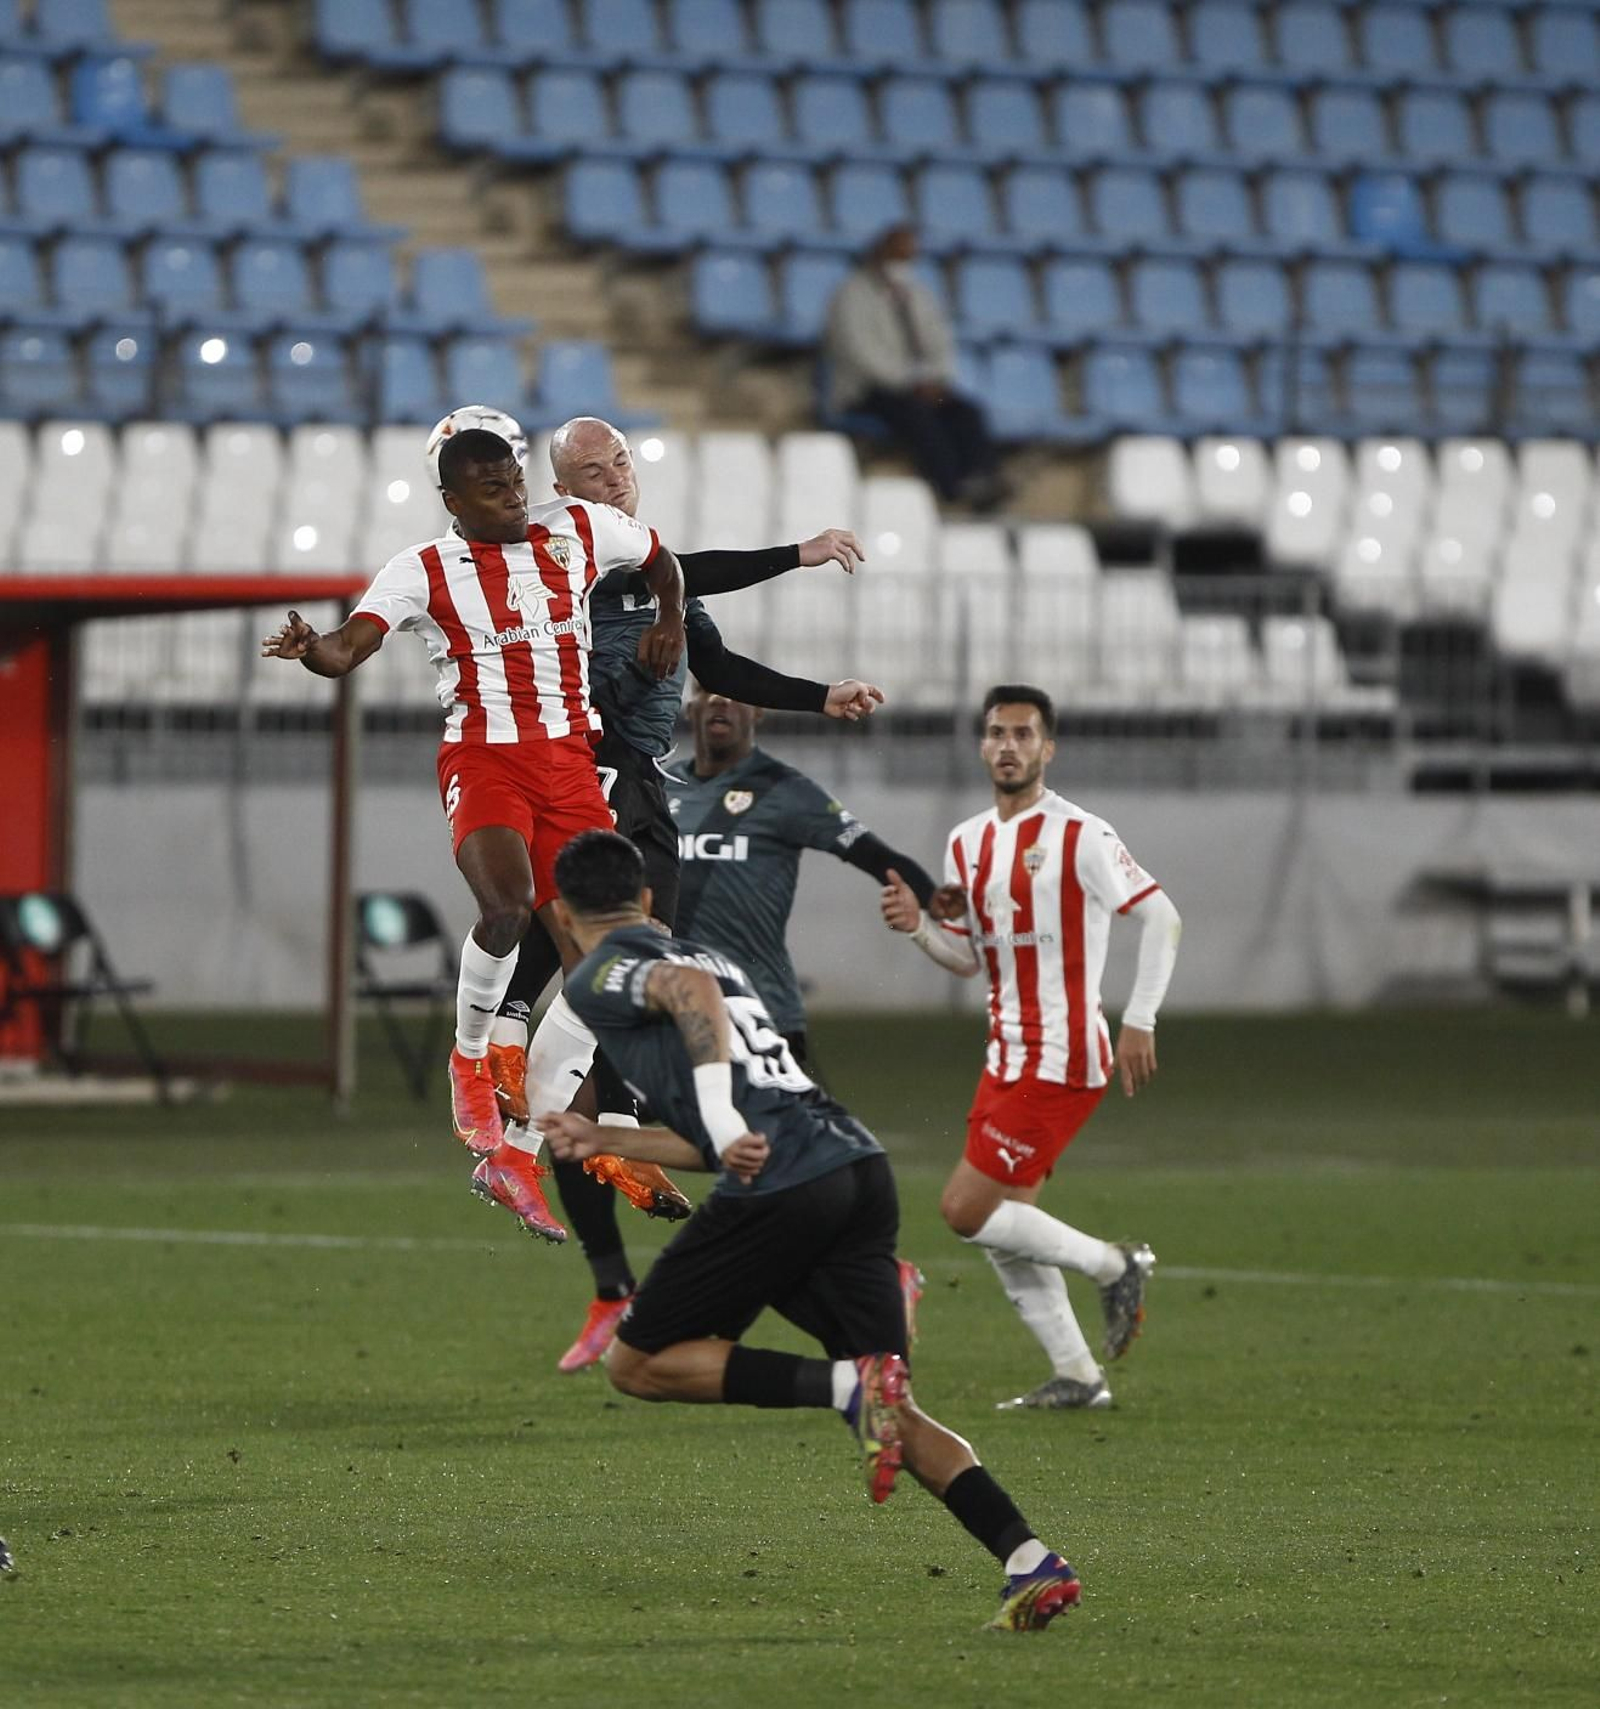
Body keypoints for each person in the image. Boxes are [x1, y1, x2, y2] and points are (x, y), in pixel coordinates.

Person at [534, 829, 1083, 1634]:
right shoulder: (712, 958)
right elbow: (718, 1132)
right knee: (893, 1403)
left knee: (637, 1364)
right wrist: (610, 1139)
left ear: (561, 911)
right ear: (649, 899)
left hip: (784, 1186)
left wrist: (719, 1120)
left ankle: (846, 1386)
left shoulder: (604, 974)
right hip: (853, 1168)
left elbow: (689, 1003)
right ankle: (1028, 1557)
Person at [485, 416, 887, 1373]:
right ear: (562, 489)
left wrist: (819, 694)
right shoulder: (571, 560)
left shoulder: (656, 574)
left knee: (630, 946)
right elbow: (687, 569)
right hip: (587, 767)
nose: (613, 480)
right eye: (590, 472)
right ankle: (510, 1069)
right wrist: (796, 552)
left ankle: (583, 1114)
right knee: (601, 929)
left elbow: (722, 667)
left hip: (638, 779)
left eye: (621, 462)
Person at [260, 428, 685, 1242]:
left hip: (570, 764)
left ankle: (516, 1151)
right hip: (486, 757)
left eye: (515, 482)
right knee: (507, 909)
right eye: (492, 489)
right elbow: (350, 648)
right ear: (454, 501)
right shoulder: (420, 568)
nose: (513, 497)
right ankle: (471, 1057)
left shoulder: (581, 532)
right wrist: (312, 648)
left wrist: (669, 615)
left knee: (613, 962)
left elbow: (662, 557)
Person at [880, 685, 1183, 1411]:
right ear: (982, 745)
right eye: (995, 733)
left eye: (1023, 734)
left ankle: (1115, 1265)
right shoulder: (966, 840)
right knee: (1002, 1229)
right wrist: (919, 926)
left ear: (1048, 748)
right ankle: (1079, 1375)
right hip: (1007, 1054)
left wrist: (1139, 1017)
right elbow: (970, 958)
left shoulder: (1081, 834)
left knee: (963, 1208)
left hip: (1066, 1053)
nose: (1007, 745)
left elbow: (1162, 917)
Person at [822, 224, 1005, 509]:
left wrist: (935, 377)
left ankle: (981, 480)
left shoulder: (918, 294)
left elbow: (940, 340)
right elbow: (858, 351)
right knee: (918, 416)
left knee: (966, 412)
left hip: (923, 388)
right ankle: (951, 489)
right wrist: (907, 381)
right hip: (869, 390)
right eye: (898, 254)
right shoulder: (852, 294)